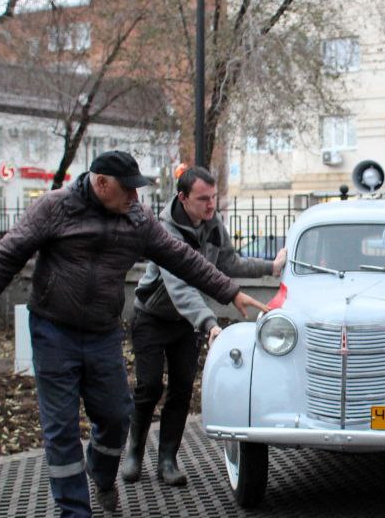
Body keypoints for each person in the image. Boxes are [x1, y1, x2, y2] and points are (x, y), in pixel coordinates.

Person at [0, 151, 267, 518]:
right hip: (53, 330)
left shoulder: (136, 219)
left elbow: (181, 258)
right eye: (128, 189)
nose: (135, 198)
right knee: (61, 425)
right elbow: (9, 252)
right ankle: (74, 514)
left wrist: (230, 292)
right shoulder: (55, 208)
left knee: (117, 414)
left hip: (102, 331)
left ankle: (102, 474)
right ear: (100, 183)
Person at [123, 166, 286, 487]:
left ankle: (167, 459)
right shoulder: (165, 232)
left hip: (187, 323)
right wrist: (210, 323)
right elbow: (180, 287)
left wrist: (271, 266)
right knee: (149, 386)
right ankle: (133, 451)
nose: (211, 206)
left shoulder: (212, 224)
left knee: (182, 388)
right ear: (183, 198)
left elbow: (229, 263)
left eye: (213, 198)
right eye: (203, 199)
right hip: (152, 318)